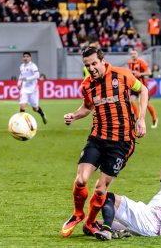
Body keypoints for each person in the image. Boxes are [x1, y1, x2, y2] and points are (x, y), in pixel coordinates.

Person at [61, 47, 148, 238]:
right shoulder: (86, 85)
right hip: (97, 137)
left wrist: (141, 118)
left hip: (121, 142)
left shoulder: (122, 75)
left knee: (101, 189)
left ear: (102, 61)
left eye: (93, 64)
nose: (91, 68)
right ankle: (77, 214)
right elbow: (87, 107)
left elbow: (143, 90)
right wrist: (74, 115)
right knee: (81, 179)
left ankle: (91, 222)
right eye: (87, 65)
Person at [127, 49, 158, 129]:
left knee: (147, 104)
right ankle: (138, 118)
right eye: (132, 54)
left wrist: (140, 73)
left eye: (135, 53)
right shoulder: (129, 63)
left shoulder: (141, 62)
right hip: (134, 85)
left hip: (143, 86)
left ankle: (154, 118)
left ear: (137, 54)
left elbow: (149, 72)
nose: (133, 55)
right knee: (132, 101)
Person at [17, 52, 47, 124]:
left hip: (33, 90)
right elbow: (21, 75)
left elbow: (37, 75)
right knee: (22, 106)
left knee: (35, 108)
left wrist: (27, 79)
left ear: (30, 58)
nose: (26, 58)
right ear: (23, 58)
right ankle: (21, 123)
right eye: (24, 56)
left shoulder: (33, 66)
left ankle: (42, 114)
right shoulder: (21, 66)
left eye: (27, 56)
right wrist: (18, 83)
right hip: (24, 89)